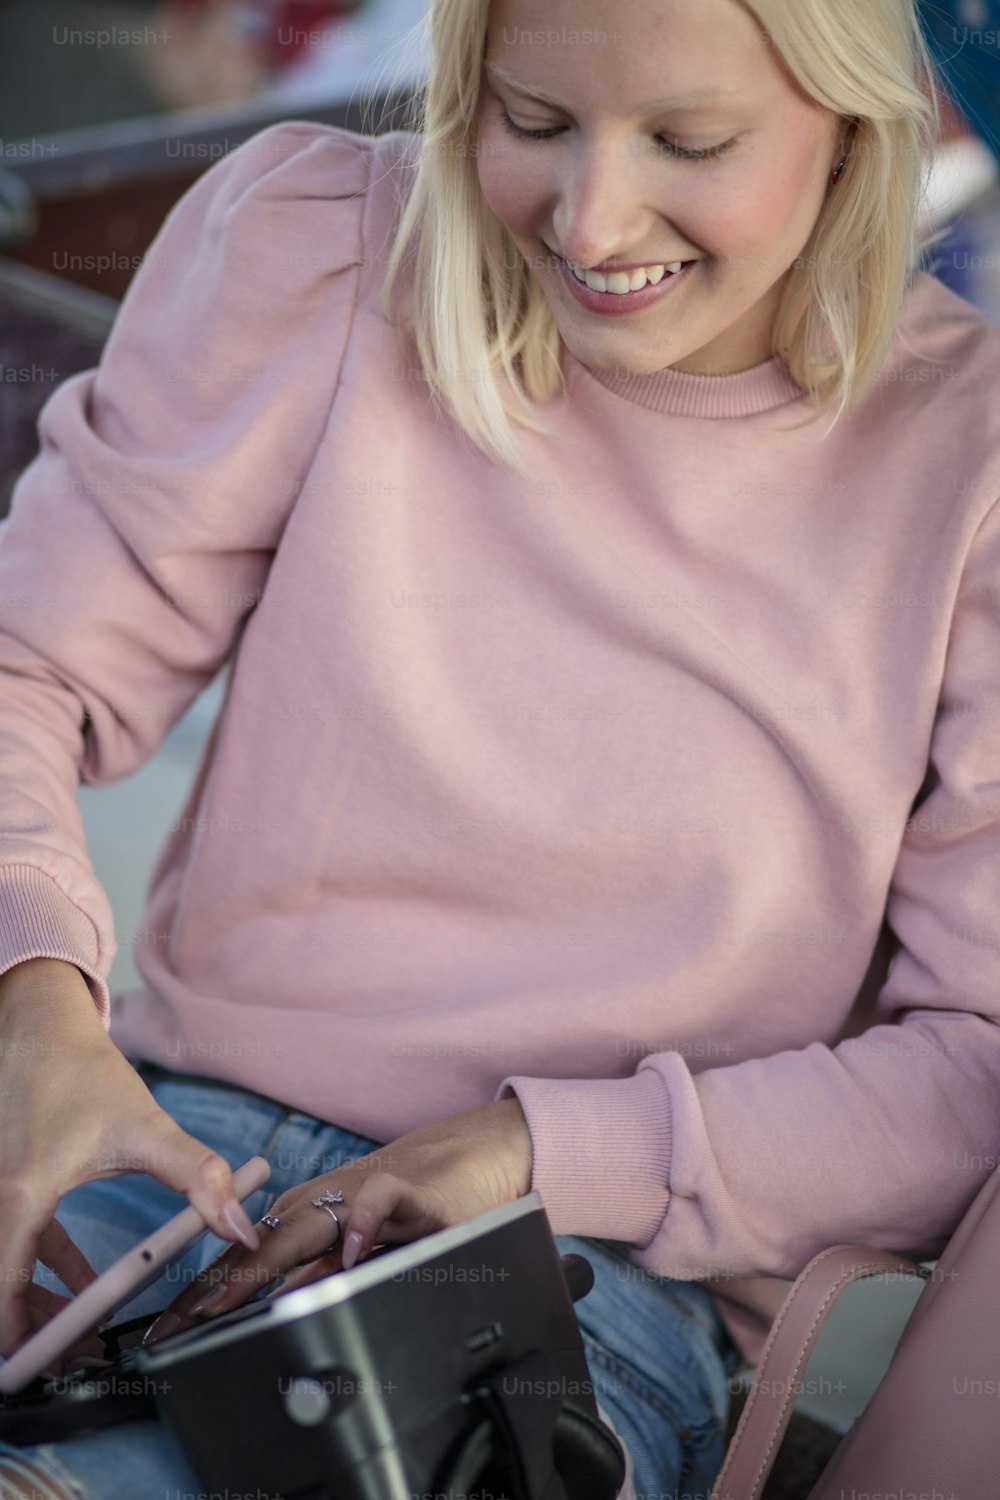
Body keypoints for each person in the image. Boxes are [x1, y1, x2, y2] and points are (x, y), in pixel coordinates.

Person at [2, 0, 999, 1496]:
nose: (589, 218)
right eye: (530, 123)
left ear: (861, 129)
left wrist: (535, 1149)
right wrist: (37, 1008)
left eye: (690, 140)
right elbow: (28, 666)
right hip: (159, 1152)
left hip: (577, 1272)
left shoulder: (970, 467)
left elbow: (968, 1073)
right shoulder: (323, 247)